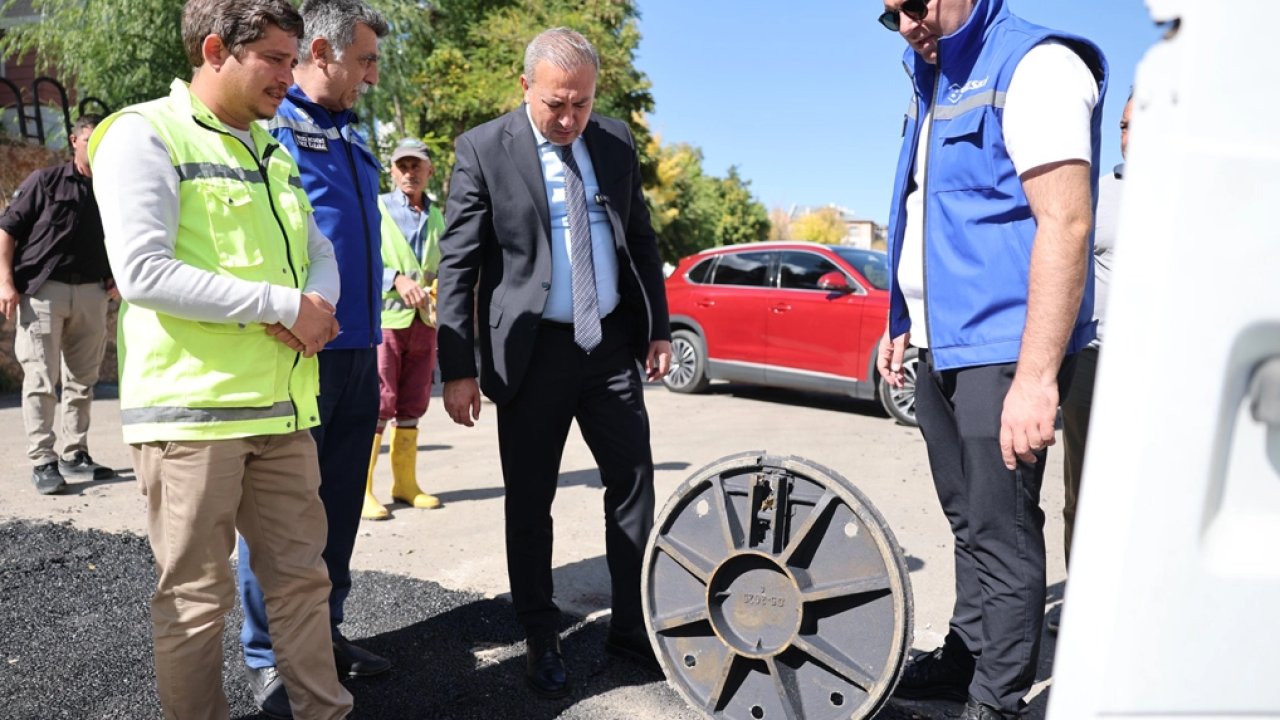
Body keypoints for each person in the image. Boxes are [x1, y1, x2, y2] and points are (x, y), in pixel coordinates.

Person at [87, 0, 353, 717]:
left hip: (282, 411)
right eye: (274, 58)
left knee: (303, 585)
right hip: (191, 420)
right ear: (214, 50)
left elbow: (319, 251)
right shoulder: (144, 135)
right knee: (195, 605)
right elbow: (144, 272)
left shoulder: (272, 148)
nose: (290, 75)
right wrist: (282, 305)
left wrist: (316, 308)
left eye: (294, 58)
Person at [874, 0, 1107, 717]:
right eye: (891, 16)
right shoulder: (933, 76)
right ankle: (965, 659)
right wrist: (902, 317)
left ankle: (995, 702)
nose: (908, 24)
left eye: (915, 5)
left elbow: (1065, 222)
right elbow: (928, 208)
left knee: (1002, 531)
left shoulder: (1035, 65)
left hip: (1005, 346)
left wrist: (1036, 378)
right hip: (942, 342)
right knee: (967, 518)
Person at [436, 27, 672, 699]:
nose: (569, 120)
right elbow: (457, 265)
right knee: (531, 499)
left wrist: (655, 329)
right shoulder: (484, 149)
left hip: (611, 349)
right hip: (532, 355)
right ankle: (540, 631)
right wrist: (458, 367)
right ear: (526, 89)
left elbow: (642, 237)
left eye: (582, 104)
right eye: (556, 105)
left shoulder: (616, 142)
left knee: (632, 486)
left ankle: (632, 628)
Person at [233, 0, 390, 716]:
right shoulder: (276, 126)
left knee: (337, 508)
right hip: (301, 352)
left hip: (361, 349)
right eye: (363, 59)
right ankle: (268, 655)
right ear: (320, 54)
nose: (371, 74)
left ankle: (323, 633)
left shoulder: (356, 138)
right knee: (280, 517)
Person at [0, 114, 115, 495]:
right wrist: (5, 283)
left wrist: (117, 277)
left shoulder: (113, 189)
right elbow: (7, 230)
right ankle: (43, 459)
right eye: (90, 140)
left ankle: (74, 452)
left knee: (82, 381)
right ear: (74, 141)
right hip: (43, 291)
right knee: (40, 379)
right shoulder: (45, 182)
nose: (96, 148)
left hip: (91, 293)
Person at [1060, 95, 1130, 566]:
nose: (1129, 135)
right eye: (1124, 125)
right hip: (1091, 357)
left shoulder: (1188, 201)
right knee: (1081, 485)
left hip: (1153, 365)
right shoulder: (1097, 194)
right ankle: (1077, 601)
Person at [362, 137, 446, 521]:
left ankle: (405, 485)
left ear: (429, 171)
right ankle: (362, 490)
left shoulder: (438, 215)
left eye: (417, 166)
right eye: (403, 166)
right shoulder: (376, 206)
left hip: (424, 322)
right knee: (380, 402)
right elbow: (360, 254)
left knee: (413, 402)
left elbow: (446, 264)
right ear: (393, 171)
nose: (409, 173)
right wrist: (394, 279)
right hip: (386, 321)